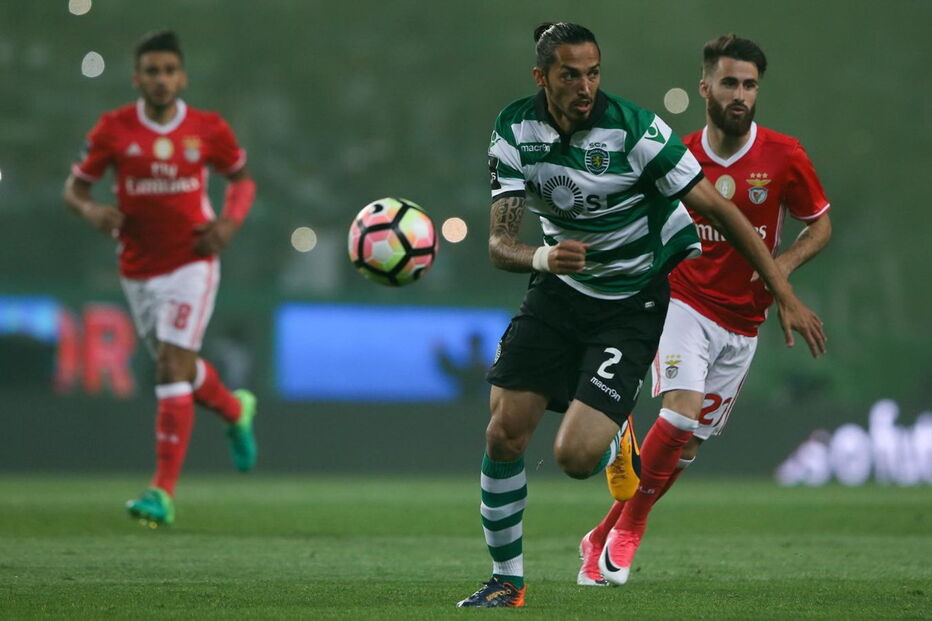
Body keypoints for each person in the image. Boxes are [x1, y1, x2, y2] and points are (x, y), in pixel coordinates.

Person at [457, 23, 826, 607]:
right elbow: (500, 245)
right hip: (558, 289)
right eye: (570, 74)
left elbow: (721, 211)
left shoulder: (635, 130)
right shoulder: (512, 129)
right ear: (541, 77)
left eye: (593, 73)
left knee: (575, 459)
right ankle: (508, 581)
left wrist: (782, 288)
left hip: (633, 298)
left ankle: (616, 431)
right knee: (503, 432)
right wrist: (547, 256)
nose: (585, 86)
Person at [580, 34, 832, 587]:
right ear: (705, 88)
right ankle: (632, 529)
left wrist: (780, 270)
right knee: (680, 411)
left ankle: (600, 534)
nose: (740, 94)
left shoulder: (784, 156)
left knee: (686, 445)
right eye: (729, 83)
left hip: (744, 323)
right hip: (683, 301)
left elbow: (820, 223)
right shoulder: (680, 155)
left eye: (749, 85)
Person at [63, 30, 258, 527]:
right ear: (137, 77)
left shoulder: (208, 129)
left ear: (182, 76)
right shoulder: (113, 129)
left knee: (170, 369)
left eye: (170, 70)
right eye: (152, 71)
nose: (161, 79)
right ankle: (235, 411)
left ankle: (161, 493)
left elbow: (241, 179)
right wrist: (90, 212)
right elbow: (76, 188)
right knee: (182, 370)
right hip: (137, 268)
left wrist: (229, 223)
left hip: (193, 261)